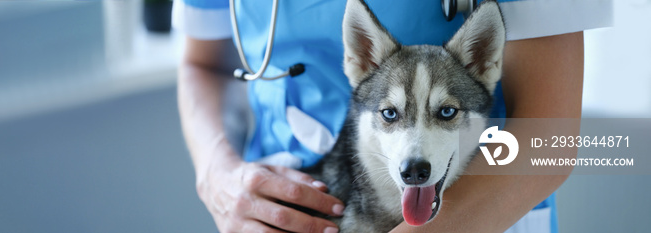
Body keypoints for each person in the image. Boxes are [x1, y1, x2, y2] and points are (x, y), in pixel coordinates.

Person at [174, 0, 611, 232]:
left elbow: (549, 135)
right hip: (275, 212)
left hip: (473, 218)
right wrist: (217, 175)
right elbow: (204, 63)